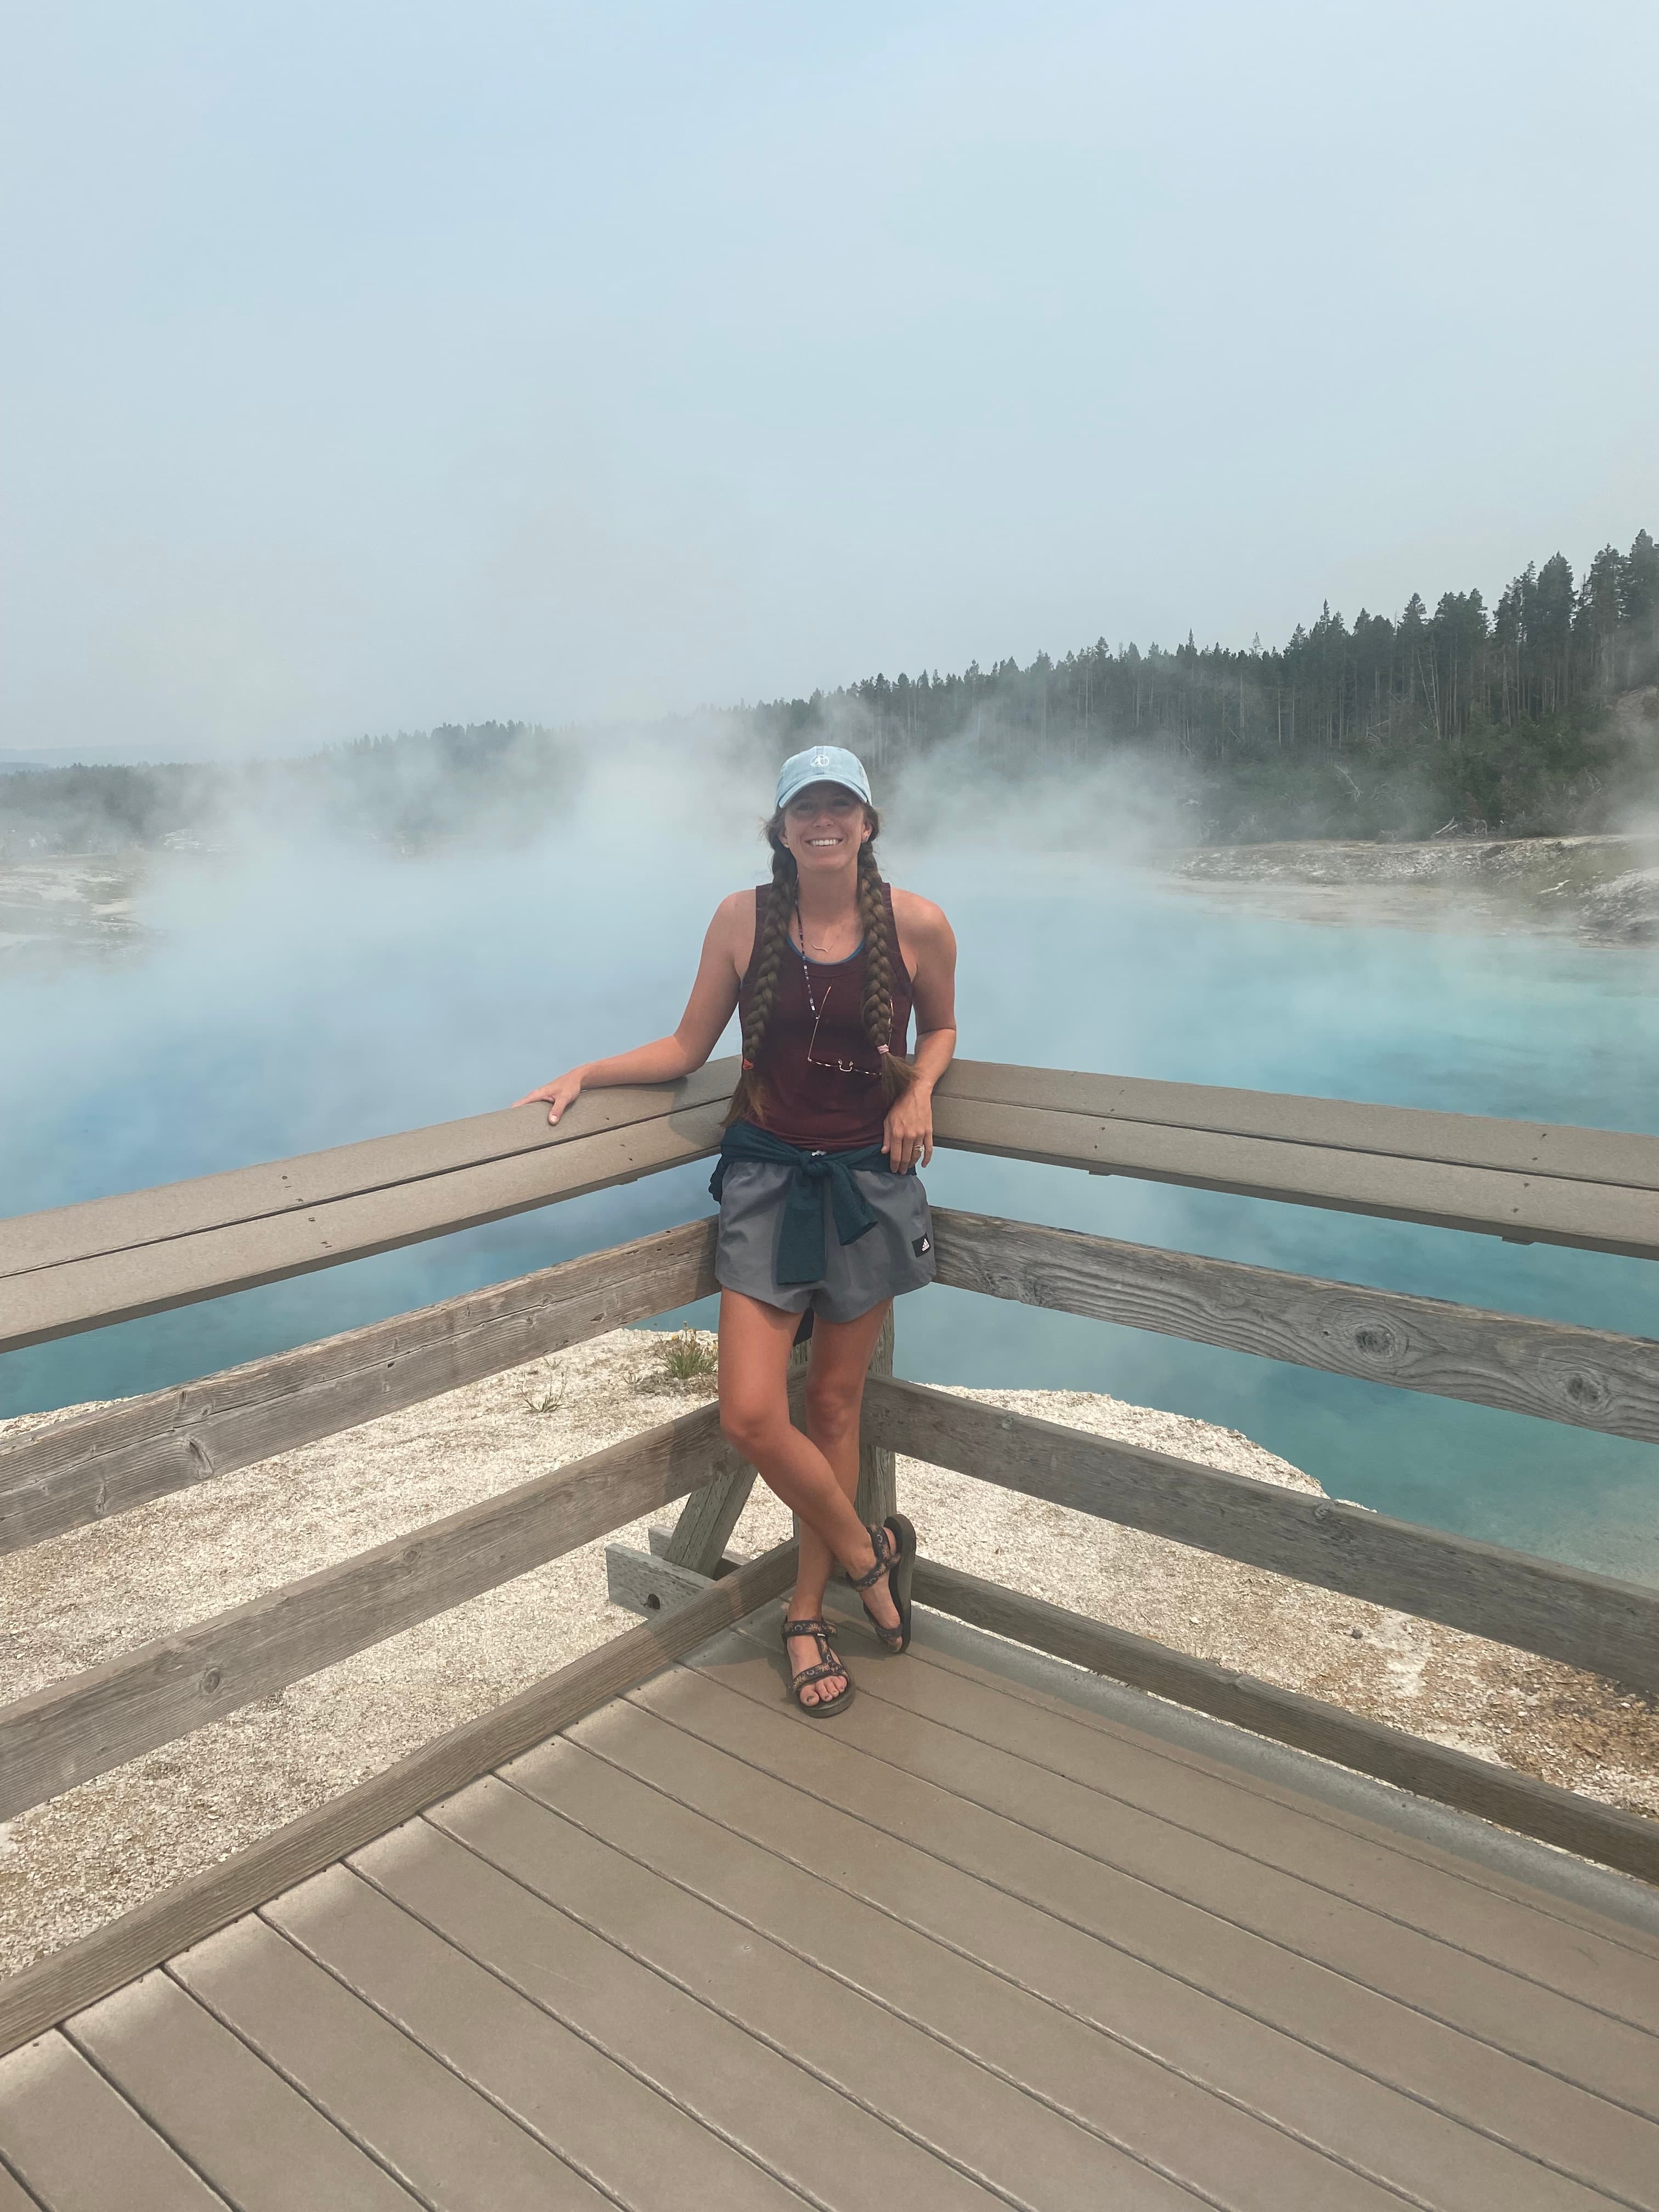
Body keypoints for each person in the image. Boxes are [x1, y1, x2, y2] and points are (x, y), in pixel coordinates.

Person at [516, 744, 958, 1716]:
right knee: (754, 1413)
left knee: (835, 1410)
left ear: (868, 823)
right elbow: (687, 1047)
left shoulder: (917, 924)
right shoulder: (742, 919)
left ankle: (808, 1617)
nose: (824, 820)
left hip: (867, 1187)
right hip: (765, 1182)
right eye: (807, 806)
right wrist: (588, 1071)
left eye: (841, 804)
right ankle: (864, 1551)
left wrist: (920, 1091)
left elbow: (942, 1030)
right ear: (782, 826)